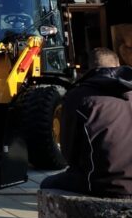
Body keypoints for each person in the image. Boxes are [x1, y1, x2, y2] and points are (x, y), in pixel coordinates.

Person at [41, 47, 132, 197]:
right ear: (118, 65)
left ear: (89, 68)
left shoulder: (78, 96)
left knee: (46, 184)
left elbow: (68, 153)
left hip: (105, 184)